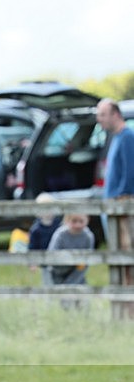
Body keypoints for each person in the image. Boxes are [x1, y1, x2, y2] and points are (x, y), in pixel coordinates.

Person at [95, 98, 134, 287]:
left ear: (115, 114)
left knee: (125, 253)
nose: (99, 119)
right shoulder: (116, 137)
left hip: (122, 208)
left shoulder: (127, 137)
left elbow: (130, 172)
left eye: (102, 114)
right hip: (111, 206)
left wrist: (122, 198)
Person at [47, 213, 95, 286]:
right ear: (67, 221)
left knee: (82, 294)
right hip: (58, 271)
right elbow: (51, 255)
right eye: (74, 221)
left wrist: (72, 281)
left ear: (87, 220)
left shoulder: (88, 236)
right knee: (62, 294)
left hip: (77, 270)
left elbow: (86, 261)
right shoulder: (60, 234)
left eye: (81, 221)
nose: (77, 225)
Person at [28, 192, 62, 285]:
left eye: (49, 208)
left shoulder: (59, 225)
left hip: (58, 259)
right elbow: (32, 247)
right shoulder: (36, 229)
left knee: (60, 280)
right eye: (44, 209)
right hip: (44, 261)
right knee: (48, 282)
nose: (47, 212)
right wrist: (32, 262)